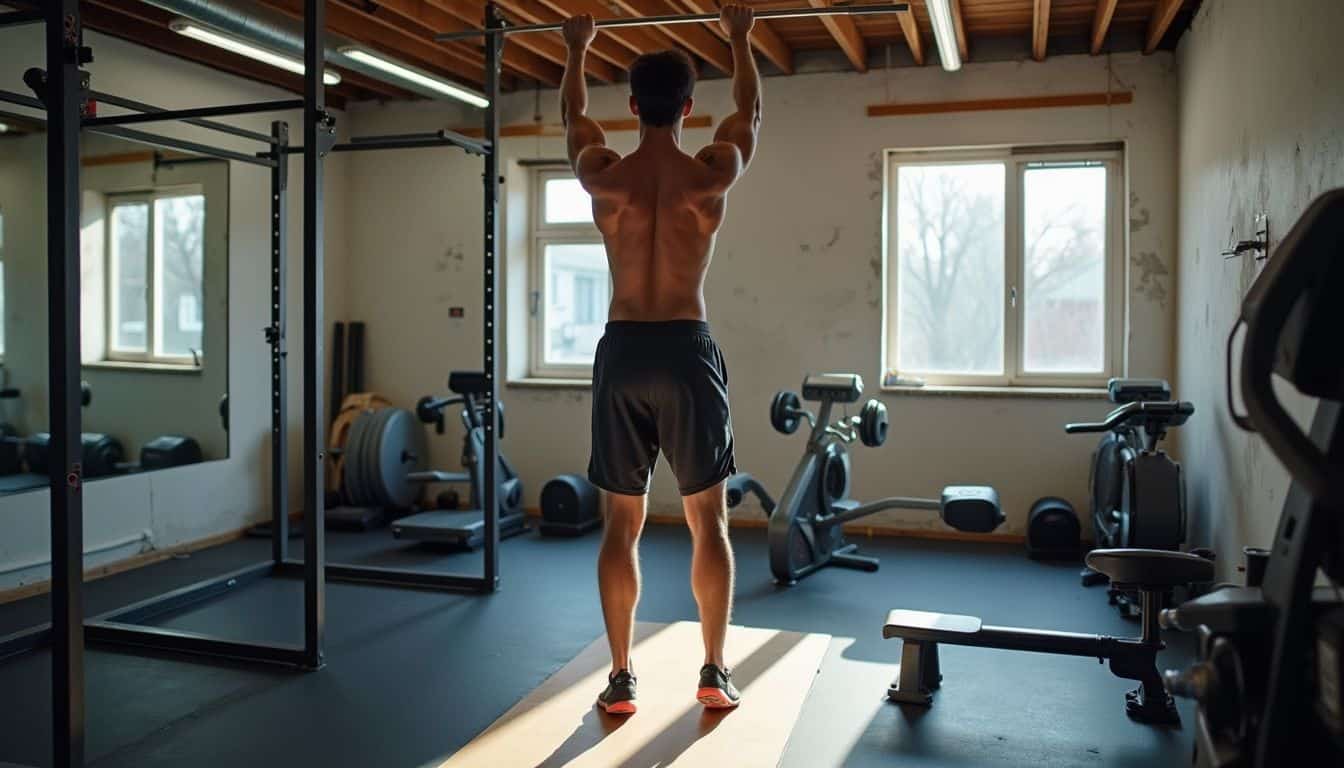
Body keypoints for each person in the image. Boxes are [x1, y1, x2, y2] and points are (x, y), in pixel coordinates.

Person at [560, 4, 762, 716]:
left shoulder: (602, 176)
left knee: (622, 524)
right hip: (684, 346)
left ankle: (620, 678)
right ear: (686, 106)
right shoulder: (711, 172)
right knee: (710, 523)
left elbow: (571, 119)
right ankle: (713, 672)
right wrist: (739, 38)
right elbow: (751, 112)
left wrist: (577, 49)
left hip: (622, 350)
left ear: (632, 104)